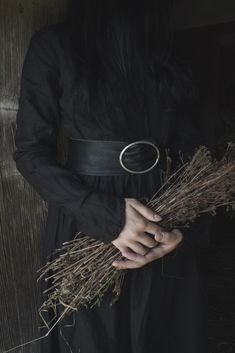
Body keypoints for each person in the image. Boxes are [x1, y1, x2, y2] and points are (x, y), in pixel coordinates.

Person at [13, 1, 212, 352]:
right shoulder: (56, 44)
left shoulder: (172, 51)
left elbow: (193, 153)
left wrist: (182, 231)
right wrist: (107, 216)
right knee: (93, 336)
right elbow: (30, 152)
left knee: (162, 331)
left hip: (164, 214)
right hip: (87, 220)